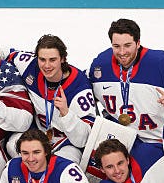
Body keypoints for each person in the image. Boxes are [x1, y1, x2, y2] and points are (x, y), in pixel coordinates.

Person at [87, 19, 164, 144]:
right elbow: (82, 85)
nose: (122, 52)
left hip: (157, 140)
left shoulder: (160, 63)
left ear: (138, 43)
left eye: (127, 45)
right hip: (120, 138)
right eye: (116, 46)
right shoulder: (101, 64)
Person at [8, 34, 97, 163]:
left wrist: (66, 113)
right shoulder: (29, 64)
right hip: (37, 135)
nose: (47, 65)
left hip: (65, 143)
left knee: (61, 163)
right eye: (42, 59)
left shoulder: (80, 87)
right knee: (12, 146)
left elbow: (84, 140)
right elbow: (5, 53)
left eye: (52, 60)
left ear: (63, 59)